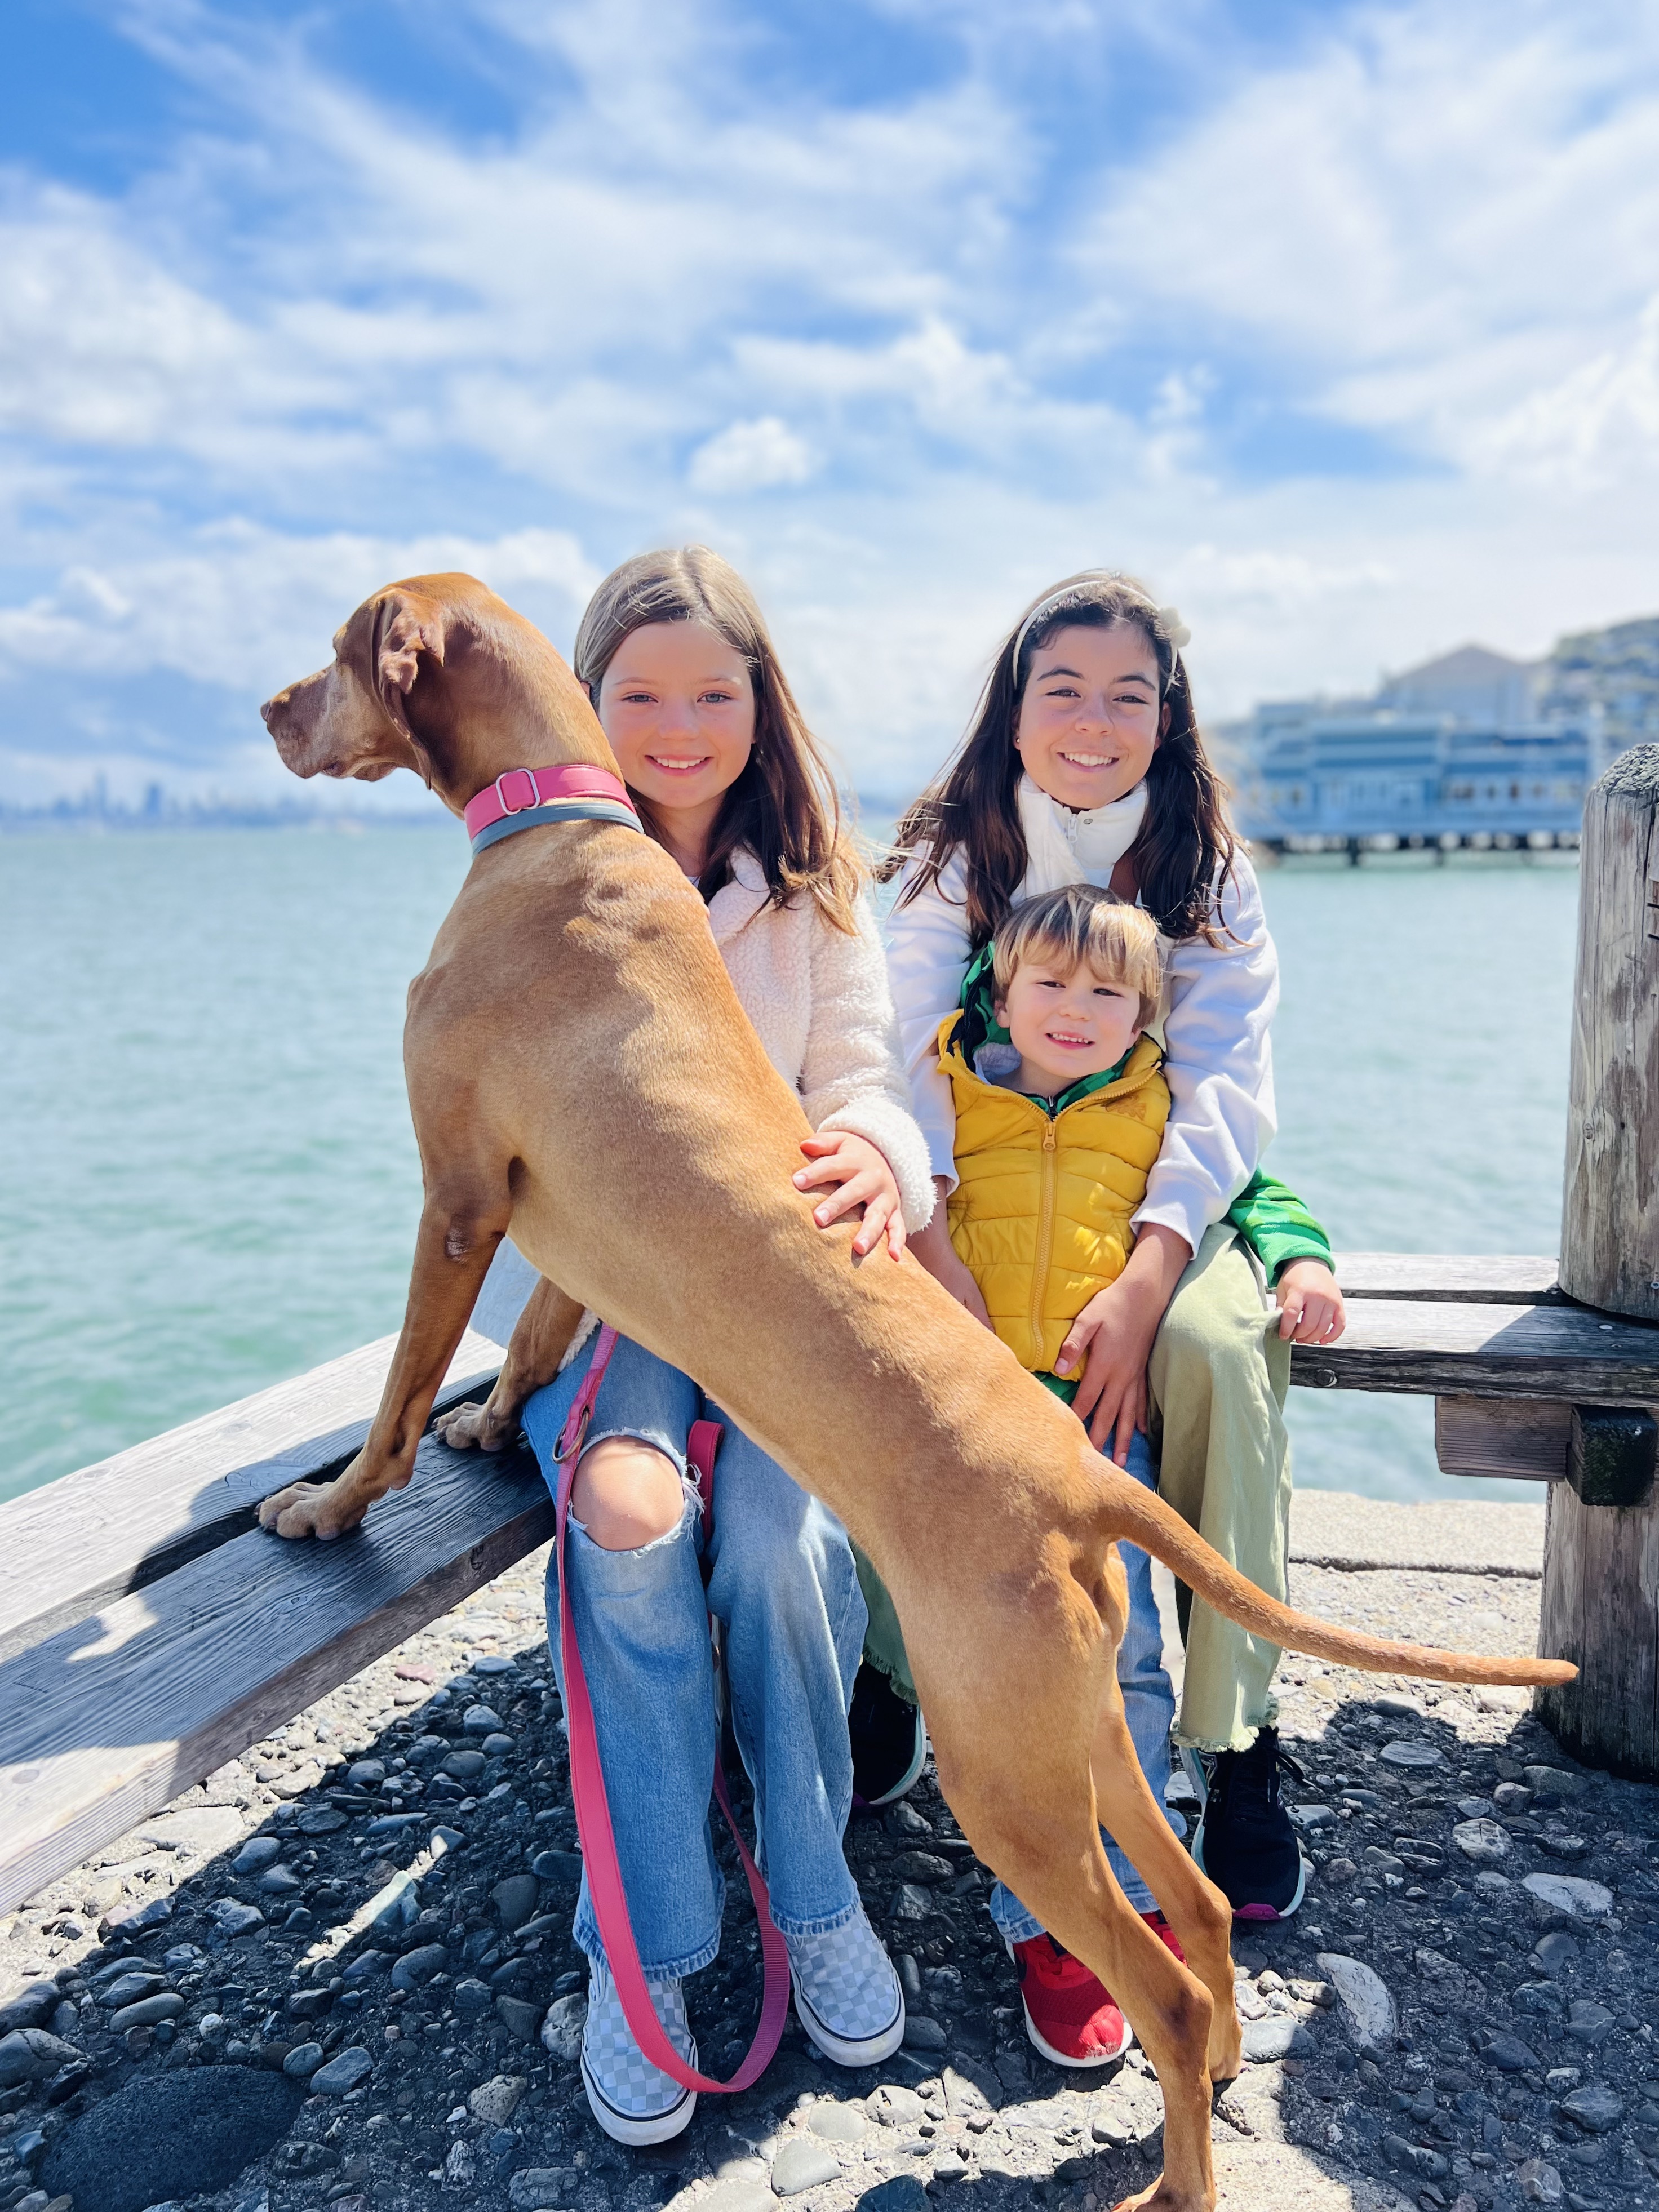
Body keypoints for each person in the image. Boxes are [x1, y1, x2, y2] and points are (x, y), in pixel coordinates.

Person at [511, 547, 936, 2146]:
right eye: (640, 694)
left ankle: (815, 1884)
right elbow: (490, 1126)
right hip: (603, 1298)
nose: (678, 726)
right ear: (584, 702)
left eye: (713, 691)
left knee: (776, 1532)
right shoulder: (544, 878)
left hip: (774, 1294)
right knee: (632, 1519)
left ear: (763, 702)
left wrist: (874, 1156)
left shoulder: (819, 884)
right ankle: (648, 1942)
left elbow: (864, 1072)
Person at [870, 570, 1345, 1959]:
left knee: (1210, 1357)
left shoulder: (1206, 869)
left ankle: (1233, 1734)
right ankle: (893, 1672)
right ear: (1014, 711)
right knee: (887, 1357)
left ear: (1165, 714)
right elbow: (893, 1055)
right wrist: (935, 1253)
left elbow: (1225, 1092)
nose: (1092, 721)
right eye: (1059, 689)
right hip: (953, 1198)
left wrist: (1147, 1278)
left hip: (1162, 1198)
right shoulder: (947, 855)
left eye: (1126, 695)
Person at [934, 878, 1341, 2065]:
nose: (1073, 1009)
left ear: (1145, 1013)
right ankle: (1045, 1917)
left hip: (1106, 1438)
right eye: (1047, 984)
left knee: (1125, 1665)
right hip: (977, 1444)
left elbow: (1251, 1186)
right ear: (994, 992)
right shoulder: (947, 1101)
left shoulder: (1158, 1106)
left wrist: (1302, 1263)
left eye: (1106, 992)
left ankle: (1139, 1882)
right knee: (1002, 1674)